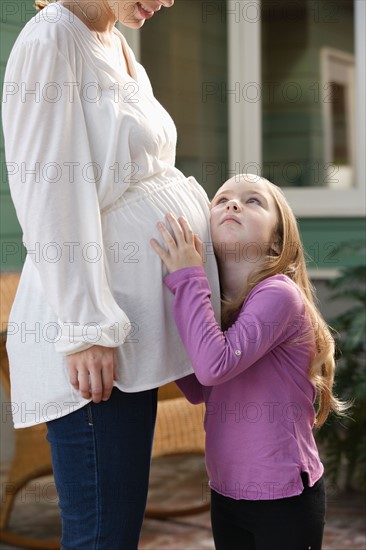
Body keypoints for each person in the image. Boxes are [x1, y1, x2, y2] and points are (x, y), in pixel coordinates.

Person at [2, 0, 220, 548]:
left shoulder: (116, 43)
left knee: (118, 529)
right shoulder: (51, 39)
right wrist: (85, 326)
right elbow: (48, 192)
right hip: (102, 343)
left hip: (132, 336)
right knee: (103, 536)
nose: (169, 0)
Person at [151, 173, 347, 550]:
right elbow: (196, 386)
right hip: (227, 491)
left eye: (253, 201)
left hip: (283, 497)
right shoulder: (215, 308)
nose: (233, 204)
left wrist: (188, 280)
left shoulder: (279, 295)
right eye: (221, 199)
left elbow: (213, 366)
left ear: (277, 238)